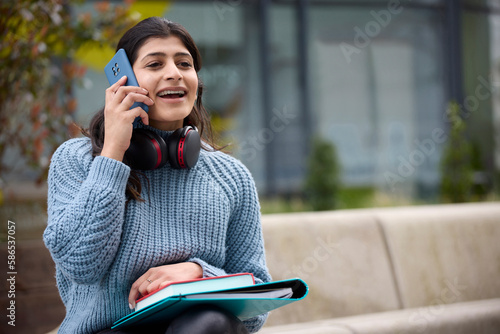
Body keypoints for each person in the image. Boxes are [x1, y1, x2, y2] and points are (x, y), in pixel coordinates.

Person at [43, 16, 271, 334]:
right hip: (108, 331)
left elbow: (256, 305)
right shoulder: (77, 159)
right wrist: (112, 155)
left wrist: (197, 272)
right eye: (154, 64)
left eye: (184, 63)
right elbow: (80, 264)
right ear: (123, 81)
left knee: (211, 323)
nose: (174, 74)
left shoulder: (231, 177)